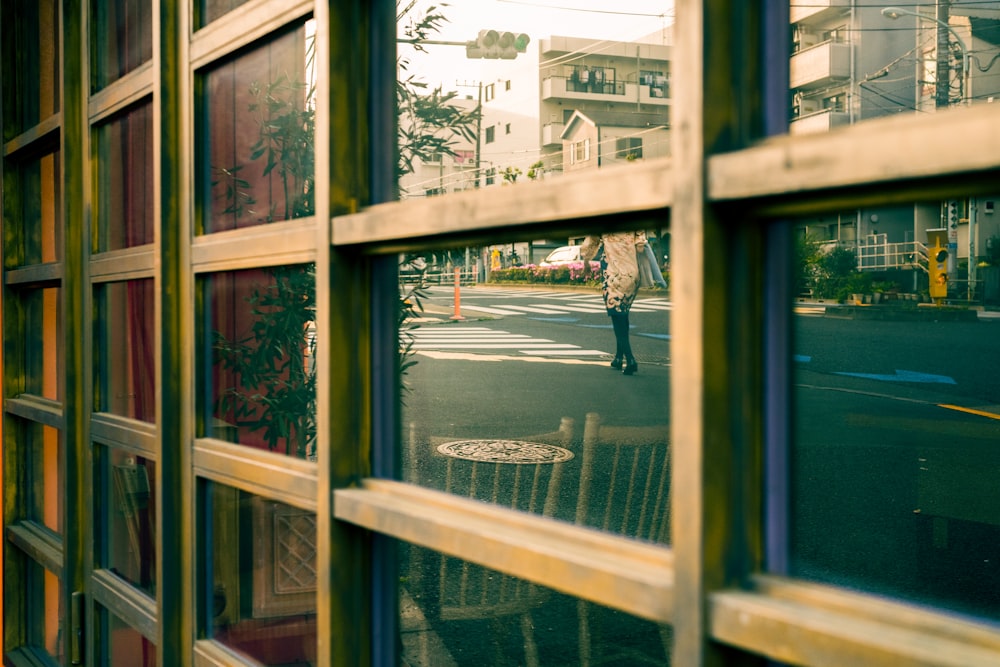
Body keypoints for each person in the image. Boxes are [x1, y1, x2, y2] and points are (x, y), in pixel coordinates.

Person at [581, 230, 647, 375]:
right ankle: (618, 357)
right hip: (632, 274)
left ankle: (630, 359)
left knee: (617, 316)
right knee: (623, 313)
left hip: (614, 274)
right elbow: (641, 246)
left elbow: (590, 243)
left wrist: (586, 261)